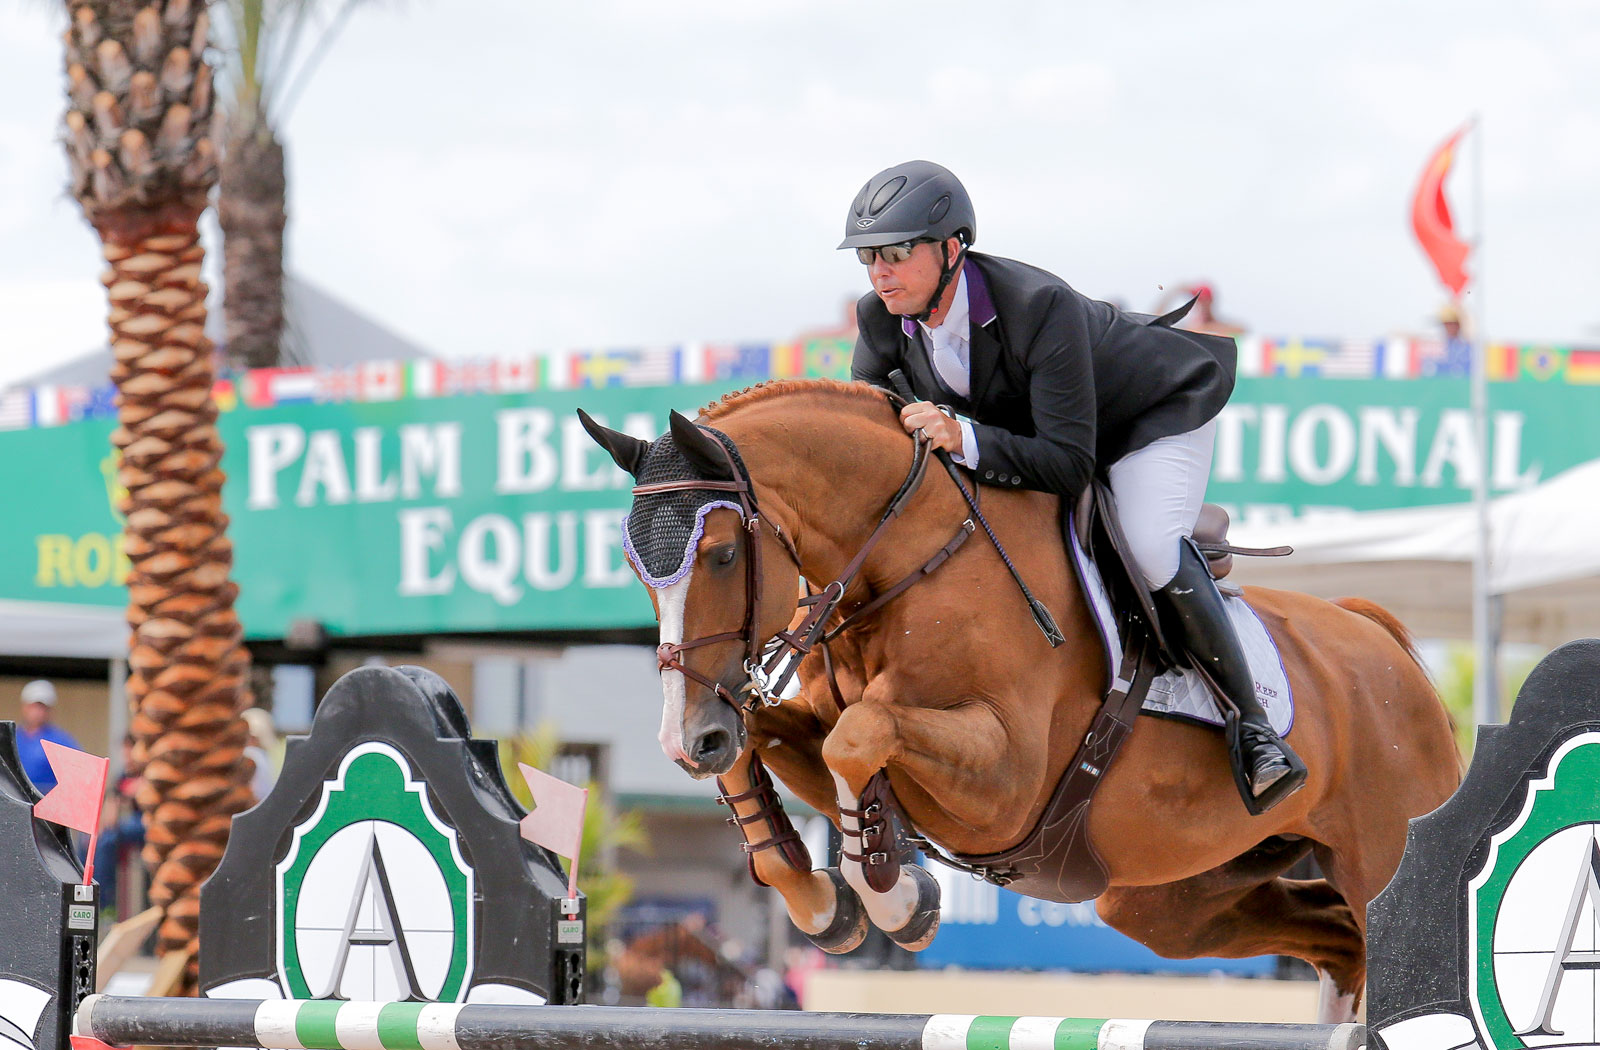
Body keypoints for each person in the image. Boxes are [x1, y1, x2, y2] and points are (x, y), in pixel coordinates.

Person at [841, 160, 1304, 811]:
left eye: (894, 253)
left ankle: (1252, 728)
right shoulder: (882, 317)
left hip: (1150, 414)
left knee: (1145, 542)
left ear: (951, 250)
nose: (879, 273)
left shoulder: (1037, 305)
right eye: (868, 258)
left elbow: (1065, 464)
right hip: (1048, 429)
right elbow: (871, 426)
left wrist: (962, 436)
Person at [15, 680, 82, 794]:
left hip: (46, 805)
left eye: (42, 707)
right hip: (13, 803)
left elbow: (77, 775)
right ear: (24, 707)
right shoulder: (11, 737)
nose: (37, 712)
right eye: (33, 706)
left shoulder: (61, 741)